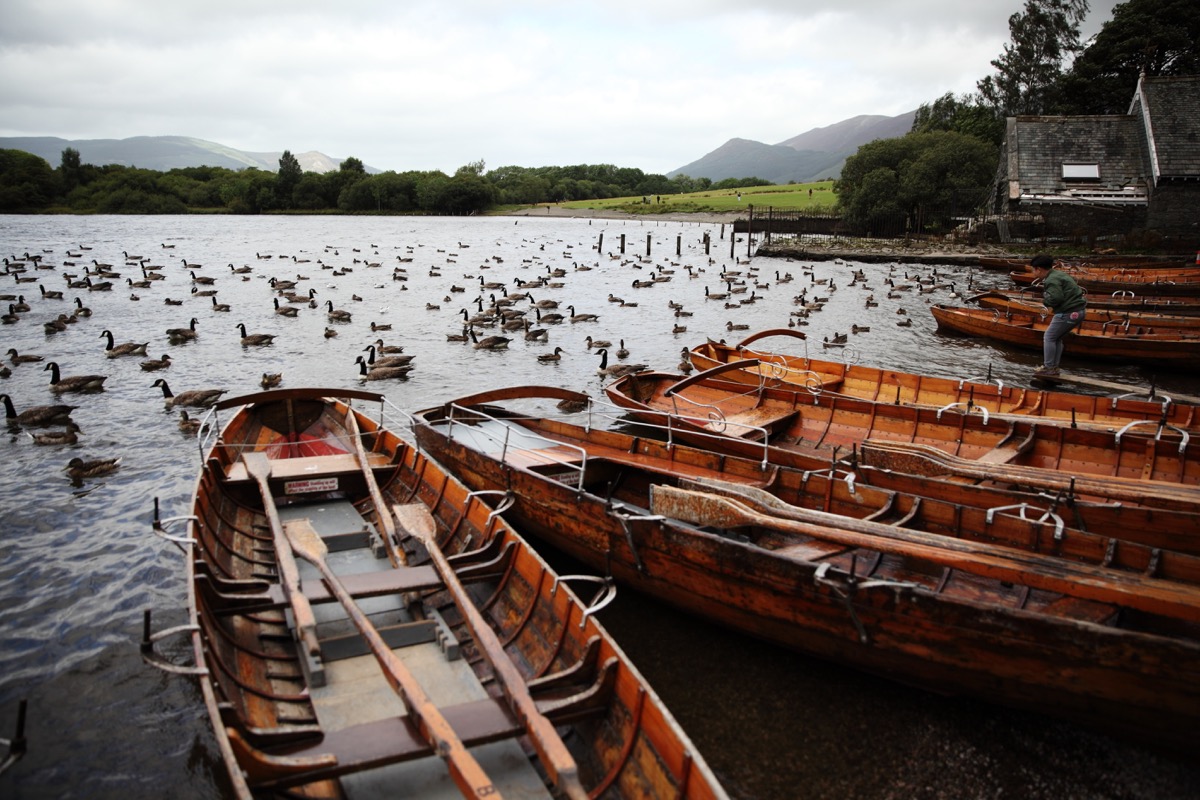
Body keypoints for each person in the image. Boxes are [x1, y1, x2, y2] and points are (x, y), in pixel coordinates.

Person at [1028, 254, 1086, 377]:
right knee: (1056, 338)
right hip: (1078, 311)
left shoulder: (1051, 280)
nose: (1033, 272)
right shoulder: (1058, 274)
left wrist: (1045, 301)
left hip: (1069, 312)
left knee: (1049, 337)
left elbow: (1056, 298)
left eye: (1033, 269)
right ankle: (1053, 367)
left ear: (1039, 269)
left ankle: (1049, 368)